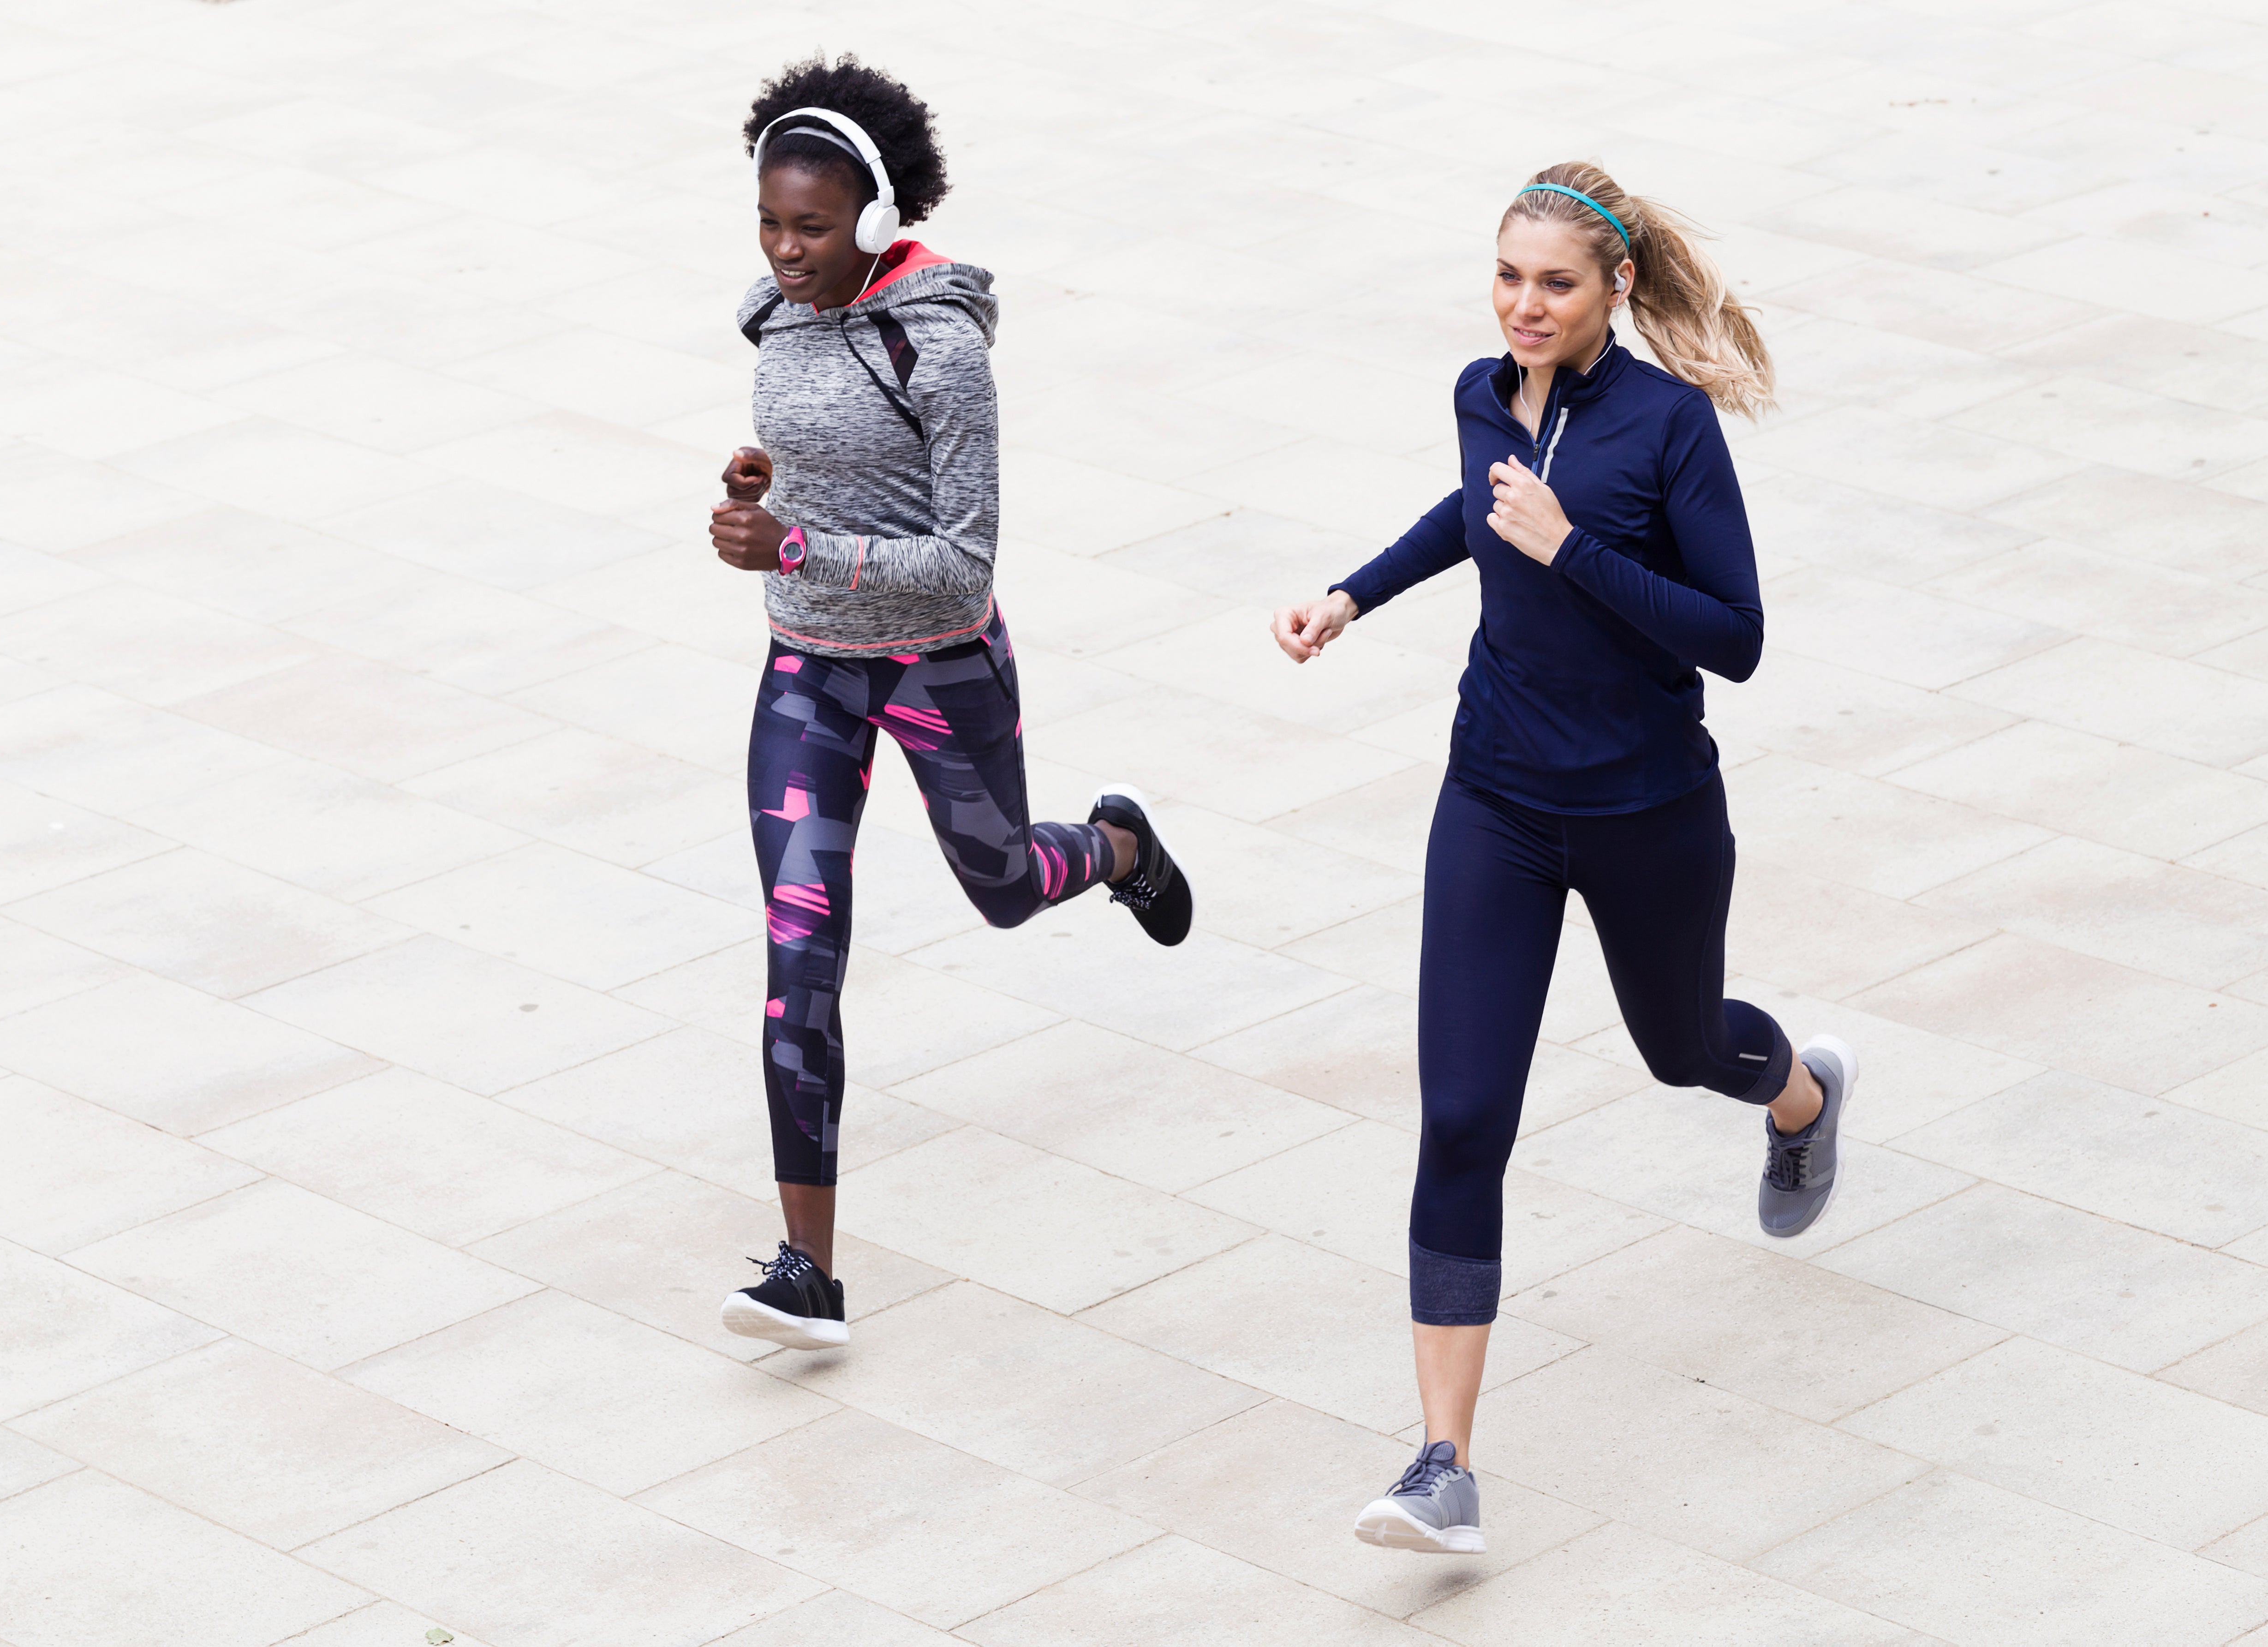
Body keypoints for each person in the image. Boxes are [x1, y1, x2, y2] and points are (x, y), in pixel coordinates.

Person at [1267, 162, 1857, 1555]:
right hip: (1497, 799)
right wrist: (1351, 594)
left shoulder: (1671, 428)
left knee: (1678, 1046)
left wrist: (1574, 546)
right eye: (1508, 277)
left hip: (1648, 809)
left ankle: (1794, 1093)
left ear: (1616, 292)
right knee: (1463, 1116)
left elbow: (1735, 636)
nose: (1523, 306)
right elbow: (1468, 511)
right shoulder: (1484, 391)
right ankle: (1439, 1464)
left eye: (1555, 284)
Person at [709, 56, 1192, 1354]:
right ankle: (806, 1269)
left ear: (872, 217)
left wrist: (799, 550)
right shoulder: (773, 313)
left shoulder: (938, 343)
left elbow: (966, 561)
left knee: (1000, 881)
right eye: (769, 220)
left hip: (938, 663)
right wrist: (763, 488)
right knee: (799, 952)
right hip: (808, 668)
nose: (785, 248)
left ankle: (1118, 846)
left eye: (811, 227)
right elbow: (811, 458)